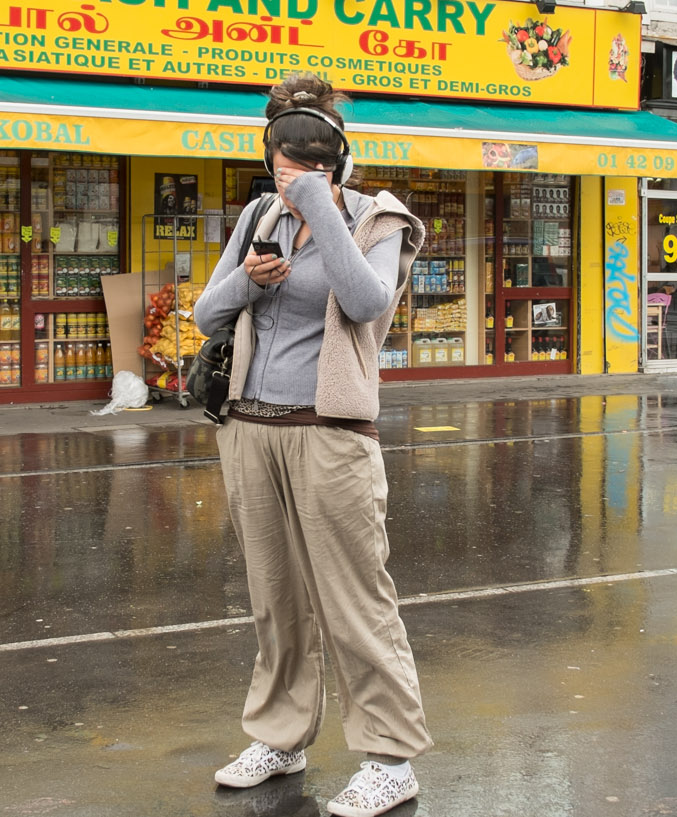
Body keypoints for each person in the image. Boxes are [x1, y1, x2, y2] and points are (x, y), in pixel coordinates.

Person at [195, 73, 430, 817]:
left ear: (338, 151)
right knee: (275, 598)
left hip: (329, 433)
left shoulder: (376, 218)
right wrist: (249, 281)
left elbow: (367, 303)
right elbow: (206, 312)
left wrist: (322, 211)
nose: (291, 169)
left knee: (356, 600)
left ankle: (391, 758)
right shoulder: (258, 214)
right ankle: (280, 735)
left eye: (309, 153)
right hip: (250, 428)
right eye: (280, 155)